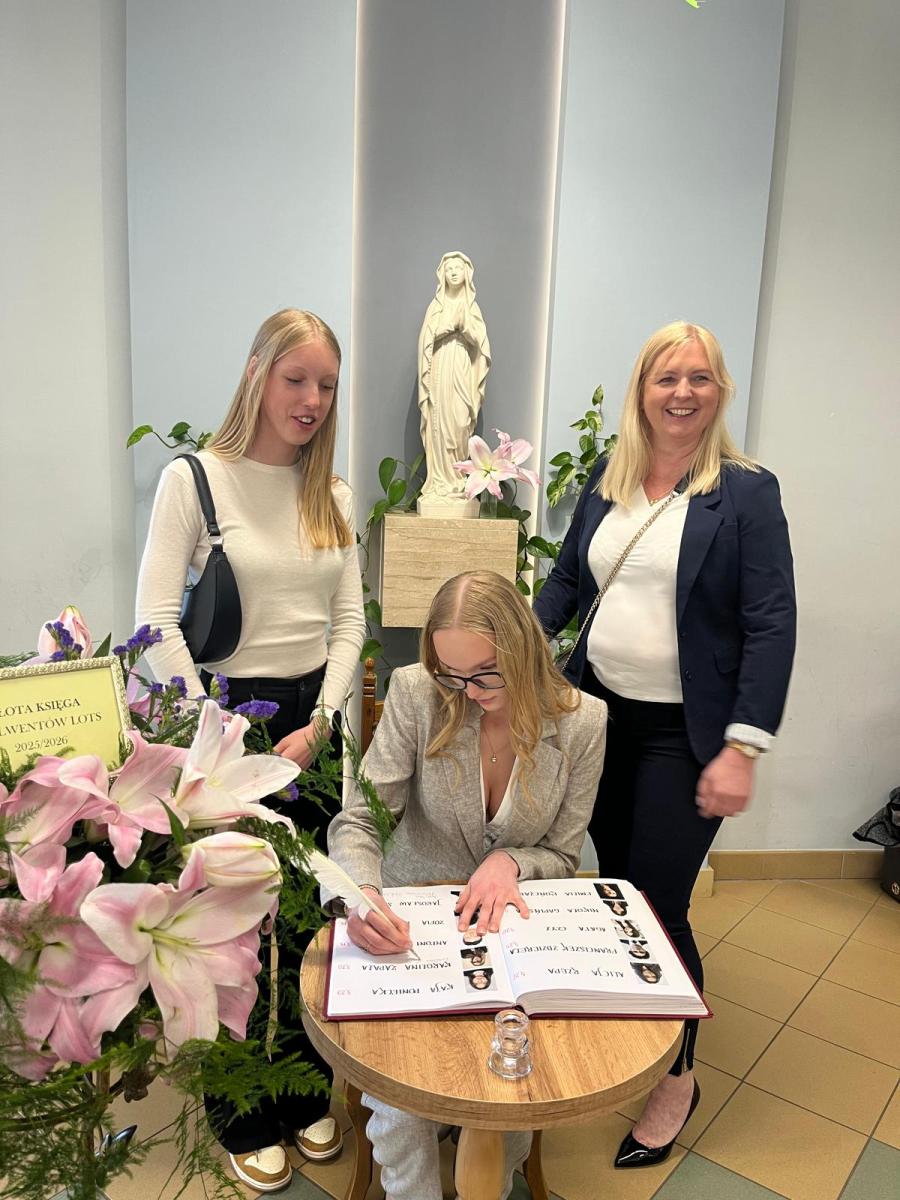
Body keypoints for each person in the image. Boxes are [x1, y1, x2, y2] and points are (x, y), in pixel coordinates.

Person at [534, 320, 796, 1169]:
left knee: (658, 904)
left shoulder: (746, 494)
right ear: (641, 391)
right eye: (666, 377)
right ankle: (633, 1024)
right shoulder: (607, 478)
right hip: (599, 720)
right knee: (615, 887)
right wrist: (513, 644)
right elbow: (567, 581)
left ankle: (677, 1074)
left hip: (687, 736)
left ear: (719, 392)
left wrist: (742, 748)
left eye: (699, 378)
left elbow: (771, 622)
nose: (682, 392)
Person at [136, 308, 365, 1192]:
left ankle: (302, 1089)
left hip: (317, 724)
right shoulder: (195, 481)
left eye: (326, 386)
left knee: (309, 922)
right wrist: (216, 731)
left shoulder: (331, 493)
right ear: (257, 374)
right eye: (295, 378)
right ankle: (238, 1110)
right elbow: (156, 623)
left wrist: (328, 721)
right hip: (226, 719)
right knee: (235, 927)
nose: (310, 400)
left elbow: (350, 623)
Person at [325, 570, 607, 1200]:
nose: (468, 693)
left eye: (486, 674)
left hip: (514, 935)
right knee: (403, 1097)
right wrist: (360, 896)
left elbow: (563, 854)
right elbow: (360, 819)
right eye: (452, 674)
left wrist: (513, 862)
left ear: (525, 651)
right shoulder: (417, 693)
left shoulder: (583, 722)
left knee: (515, 1083)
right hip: (413, 929)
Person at [417, 252, 491, 512]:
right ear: (443, 275)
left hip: (461, 365)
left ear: (467, 273)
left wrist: (465, 328)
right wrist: (447, 327)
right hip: (440, 367)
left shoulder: (472, 307)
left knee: (460, 422)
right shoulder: (436, 307)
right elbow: (425, 342)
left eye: (458, 268)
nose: (454, 272)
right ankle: (440, 481)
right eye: (449, 269)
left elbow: (482, 346)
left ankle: (458, 480)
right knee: (440, 422)